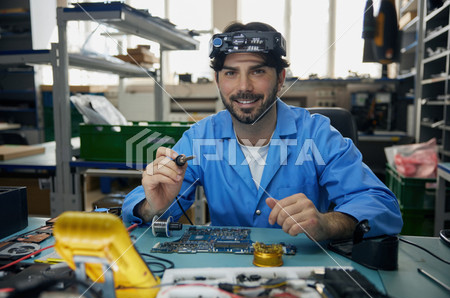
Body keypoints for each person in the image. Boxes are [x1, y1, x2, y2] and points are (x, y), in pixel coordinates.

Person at [122, 21, 402, 241]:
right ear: (218, 81)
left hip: (302, 272)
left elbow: (382, 206)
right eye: (231, 73)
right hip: (221, 271)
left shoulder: (316, 135)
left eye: (257, 72)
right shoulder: (200, 137)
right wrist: (153, 206)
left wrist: (328, 223)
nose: (243, 87)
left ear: (280, 79)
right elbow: (139, 204)